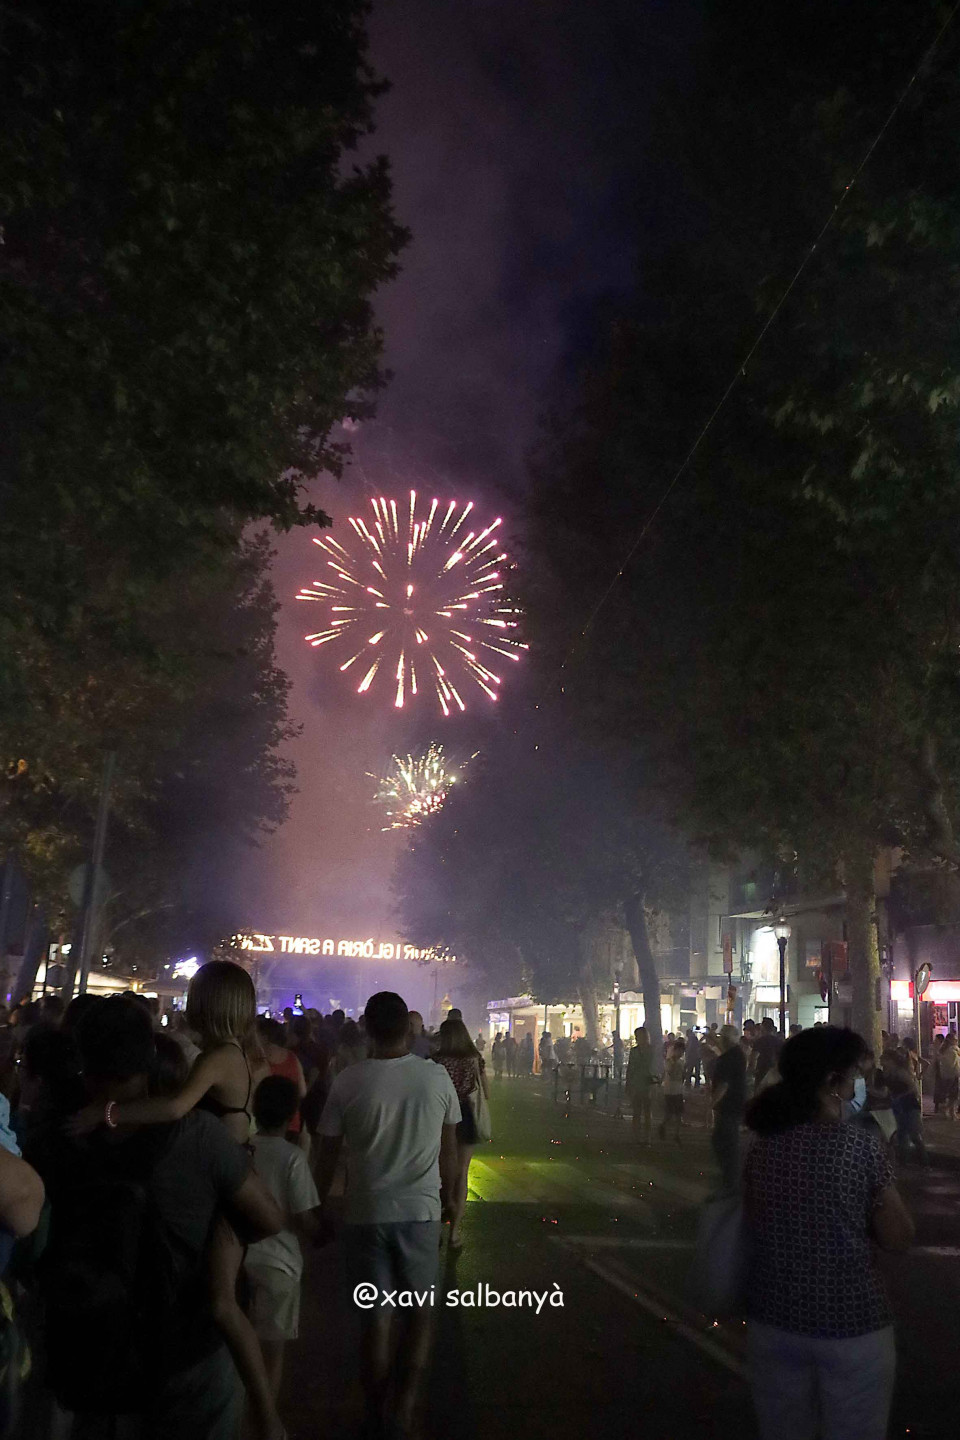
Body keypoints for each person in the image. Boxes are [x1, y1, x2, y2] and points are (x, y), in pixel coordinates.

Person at [38, 995, 282, 1439]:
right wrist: (221, 1225)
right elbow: (269, 1219)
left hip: (93, 1356)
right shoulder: (199, 1136)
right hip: (189, 1354)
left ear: (84, 1064)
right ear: (149, 1058)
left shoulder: (53, 1140)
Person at [743, 1026, 914, 1440]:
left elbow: (753, 1222)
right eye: (854, 1074)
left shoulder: (762, 1147)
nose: (858, 1083)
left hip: (775, 1317)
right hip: (851, 1322)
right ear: (832, 1081)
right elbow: (899, 1236)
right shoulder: (860, 1147)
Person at [315, 992, 459, 1439]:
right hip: (421, 1211)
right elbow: (449, 1149)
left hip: (365, 1212)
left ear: (368, 1030)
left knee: (374, 1319)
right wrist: (451, 1197)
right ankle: (406, 1406)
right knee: (419, 1315)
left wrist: (318, 1205)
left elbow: (327, 1153)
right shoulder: (436, 1078)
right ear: (409, 1030)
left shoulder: (349, 1080)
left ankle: (376, 1412)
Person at [245, 1076, 321, 1401]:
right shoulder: (293, 1157)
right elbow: (304, 1217)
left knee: (241, 1355)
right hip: (280, 1265)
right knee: (271, 1358)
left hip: (238, 1261)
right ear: (292, 1114)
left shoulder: (241, 1150)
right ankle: (265, 1420)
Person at [432, 1016, 490, 1248]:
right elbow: (486, 1092)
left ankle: (436, 1227)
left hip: (440, 1115)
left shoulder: (436, 1061)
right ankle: (454, 1234)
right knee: (462, 1172)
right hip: (466, 1115)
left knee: (438, 1170)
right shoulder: (475, 1060)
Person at [257, 1017, 308, 1149]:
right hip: (291, 1122)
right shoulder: (292, 1057)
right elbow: (302, 1091)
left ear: (264, 1037)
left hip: (266, 1125)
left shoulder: (257, 1060)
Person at [711, 1024, 746, 1190]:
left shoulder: (729, 1058)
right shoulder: (736, 1054)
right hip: (734, 1103)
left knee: (725, 1141)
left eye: (722, 1038)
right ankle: (730, 1179)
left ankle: (731, 1181)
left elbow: (724, 1084)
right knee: (726, 1141)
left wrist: (712, 1102)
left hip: (729, 1105)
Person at [625, 1027, 656, 1146]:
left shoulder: (651, 1050)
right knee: (637, 1111)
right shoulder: (634, 1051)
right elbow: (630, 1067)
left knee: (647, 1111)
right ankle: (636, 1136)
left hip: (648, 1083)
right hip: (637, 1082)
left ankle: (647, 1137)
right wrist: (628, 1083)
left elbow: (656, 1066)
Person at [659, 1040, 685, 1143]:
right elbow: (670, 1072)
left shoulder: (681, 1062)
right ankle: (663, 1126)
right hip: (670, 1090)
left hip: (678, 1090)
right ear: (675, 1050)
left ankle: (676, 1134)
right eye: (680, 1051)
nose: (681, 1053)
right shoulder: (669, 1061)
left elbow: (682, 1075)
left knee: (679, 1114)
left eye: (682, 1051)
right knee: (669, 1113)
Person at [753, 1017, 782, 1088]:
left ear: (762, 1027)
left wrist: (752, 1069)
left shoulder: (759, 1041)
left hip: (761, 1070)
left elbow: (754, 1057)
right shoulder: (778, 1041)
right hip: (774, 1071)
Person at [937, 1030, 960, 1121]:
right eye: (955, 1039)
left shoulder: (945, 1050)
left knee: (951, 1095)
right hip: (953, 1075)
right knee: (953, 1095)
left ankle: (950, 1112)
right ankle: (948, 1110)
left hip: (947, 1075)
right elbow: (952, 1064)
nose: (957, 1041)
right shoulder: (953, 1051)